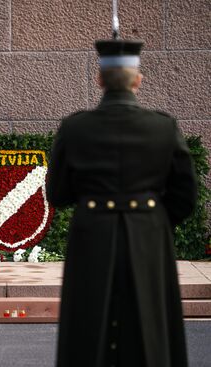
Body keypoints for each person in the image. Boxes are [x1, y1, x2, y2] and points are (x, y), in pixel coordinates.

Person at [47, 37, 197, 367]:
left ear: (99, 80)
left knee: (88, 323)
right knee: (150, 326)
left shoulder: (74, 129)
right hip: (147, 234)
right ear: (138, 80)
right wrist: (152, 219)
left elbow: (57, 192)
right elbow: (185, 194)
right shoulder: (163, 127)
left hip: (92, 233)